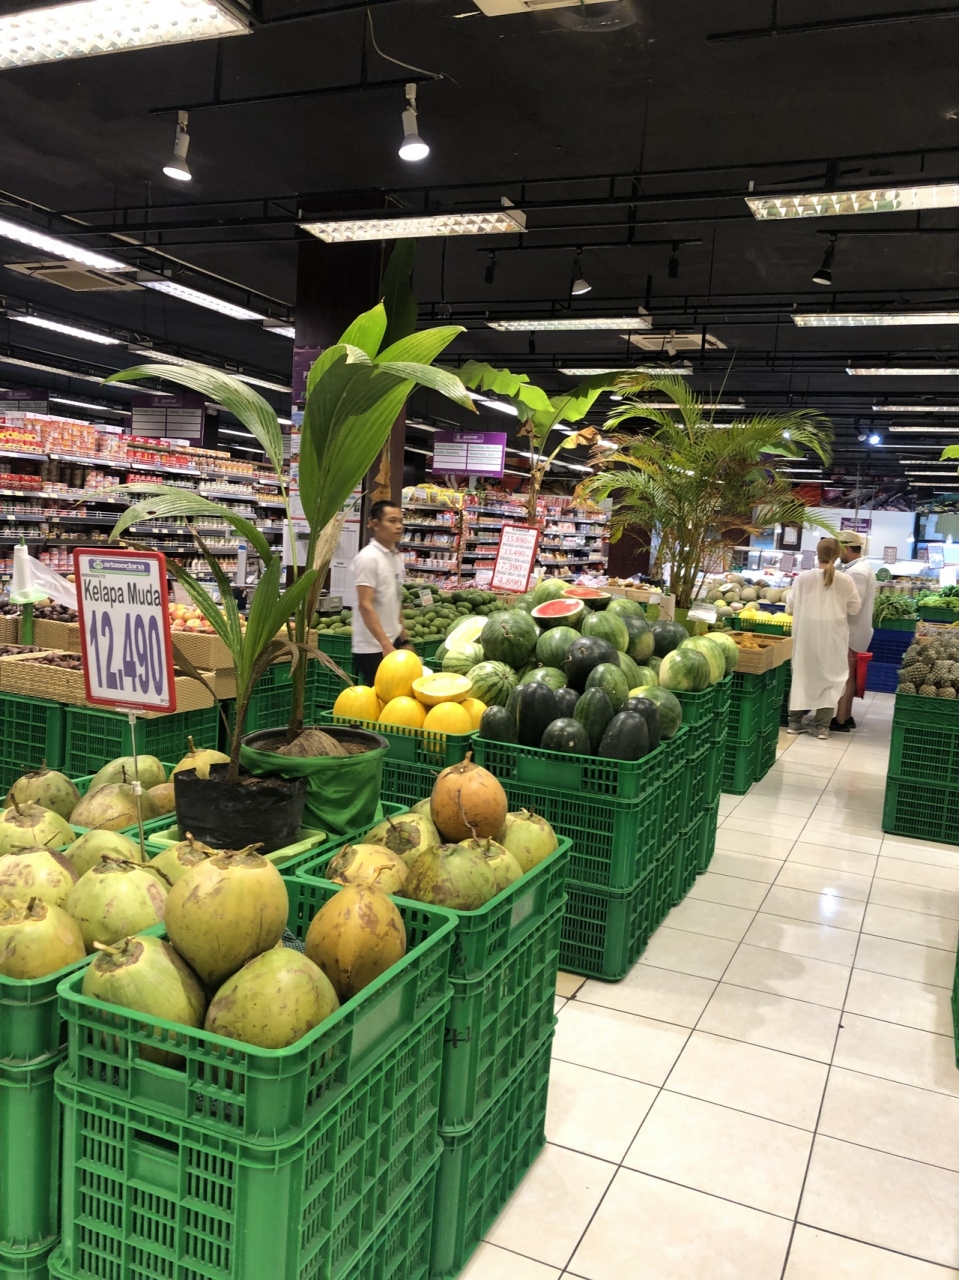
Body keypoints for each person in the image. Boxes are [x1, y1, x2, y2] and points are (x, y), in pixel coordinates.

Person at [787, 537, 861, 739]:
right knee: (830, 678)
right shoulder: (845, 580)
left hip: (806, 635)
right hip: (833, 637)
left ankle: (794, 723)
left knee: (802, 676)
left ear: (817, 554)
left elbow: (791, 604)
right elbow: (855, 608)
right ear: (838, 555)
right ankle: (822, 727)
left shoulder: (803, 577)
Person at [350, 500, 409, 686]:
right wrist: (385, 645)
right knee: (381, 697)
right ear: (375, 524)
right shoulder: (368, 558)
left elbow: (395, 599)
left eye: (400, 521)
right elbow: (365, 605)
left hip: (392, 641)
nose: (399, 526)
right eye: (392, 521)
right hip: (372, 647)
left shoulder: (394, 556)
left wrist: (403, 639)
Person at [832, 531, 877, 732]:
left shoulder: (857, 572)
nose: (838, 554)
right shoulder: (859, 568)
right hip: (856, 630)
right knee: (849, 674)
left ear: (848, 548)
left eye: (840, 549)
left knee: (846, 675)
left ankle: (841, 719)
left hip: (852, 631)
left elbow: (853, 606)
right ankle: (847, 716)